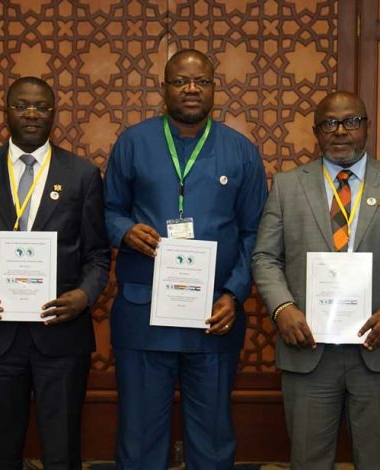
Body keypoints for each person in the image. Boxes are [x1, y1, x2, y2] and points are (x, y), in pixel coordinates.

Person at [252, 91, 380, 470]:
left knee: (377, 460)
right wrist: (283, 308)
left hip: (378, 345)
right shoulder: (288, 186)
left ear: (367, 126)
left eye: (351, 121)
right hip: (308, 348)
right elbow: (265, 257)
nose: (340, 131)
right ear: (316, 132)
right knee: (308, 459)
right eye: (329, 124)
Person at [104, 49, 268, 469]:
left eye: (201, 81)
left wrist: (233, 294)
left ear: (215, 88)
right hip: (144, 314)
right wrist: (123, 231)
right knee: (139, 438)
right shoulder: (133, 143)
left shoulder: (241, 152)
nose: (191, 89)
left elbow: (256, 234)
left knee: (212, 438)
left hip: (213, 315)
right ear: (164, 89)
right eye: (180, 81)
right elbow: (107, 211)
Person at [0, 76, 110, 470]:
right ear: (5, 111)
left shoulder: (81, 175)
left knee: (61, 450)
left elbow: (97, 255)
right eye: (21, 105)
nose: (31, 113)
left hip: (60, 333)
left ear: (53, 114)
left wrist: (83, 296)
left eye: (41, 107)